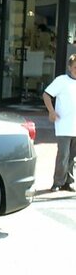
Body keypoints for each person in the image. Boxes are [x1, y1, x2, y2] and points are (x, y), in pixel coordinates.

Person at [42, 53, 76, 192]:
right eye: (75, 67)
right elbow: (46, 95)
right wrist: (51, 111)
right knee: (63, 155)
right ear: (69, 67)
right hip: (64, 125)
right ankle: (57, 182)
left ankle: (68, 181)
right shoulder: (61, 80)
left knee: (73, 157)